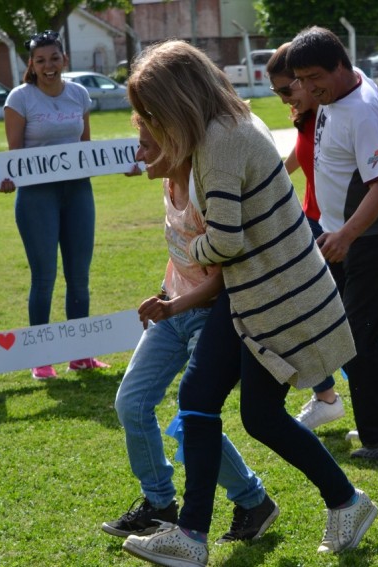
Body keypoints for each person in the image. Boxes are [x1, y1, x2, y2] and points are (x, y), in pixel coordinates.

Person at [120, 40, 377, 566]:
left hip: (273, 297)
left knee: (228, 406)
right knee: (215, 405)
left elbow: (227, 241)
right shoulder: (229, 126)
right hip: (256, 295)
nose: (151, 123)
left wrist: (191, 247)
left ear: (179, 97)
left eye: (153, 111)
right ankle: (200, 534)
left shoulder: (220, 142)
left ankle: (337, 503)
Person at [101, 118, 278, 545]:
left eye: (146, 146)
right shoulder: (168, 185)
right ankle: (159, 504)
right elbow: (182, 254)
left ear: (174, 146)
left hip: (210, 316)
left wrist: (174, 305)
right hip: (172, 306)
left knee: (192, 417)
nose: (139, 154)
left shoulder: (206, 192)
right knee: (131, 402)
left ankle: (254, 501)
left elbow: (223, 276)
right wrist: (167, 295)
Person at [286, 26, 378, 460]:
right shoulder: (345, 89)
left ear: (340, 65)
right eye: (300, 80)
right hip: (340, 236)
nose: (307, 89)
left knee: (354, 336)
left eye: (313, 78)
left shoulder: (359, 109)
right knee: (350, 330)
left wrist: (346, 233)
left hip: (371, 240)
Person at [0, 30, 108, 380]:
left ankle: (80, 355)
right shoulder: (20, 98)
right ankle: (41, 358)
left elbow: (87, 148)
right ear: (32, 64)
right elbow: (13, 154)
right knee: (44, 277)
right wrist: (7, 176)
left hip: (77, 193)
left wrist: (125, 163)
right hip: (36, 197)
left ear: (65, 60)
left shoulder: (78, 93)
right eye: (41, 60)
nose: (49, 66)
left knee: (79, 277)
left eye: (54, 58)